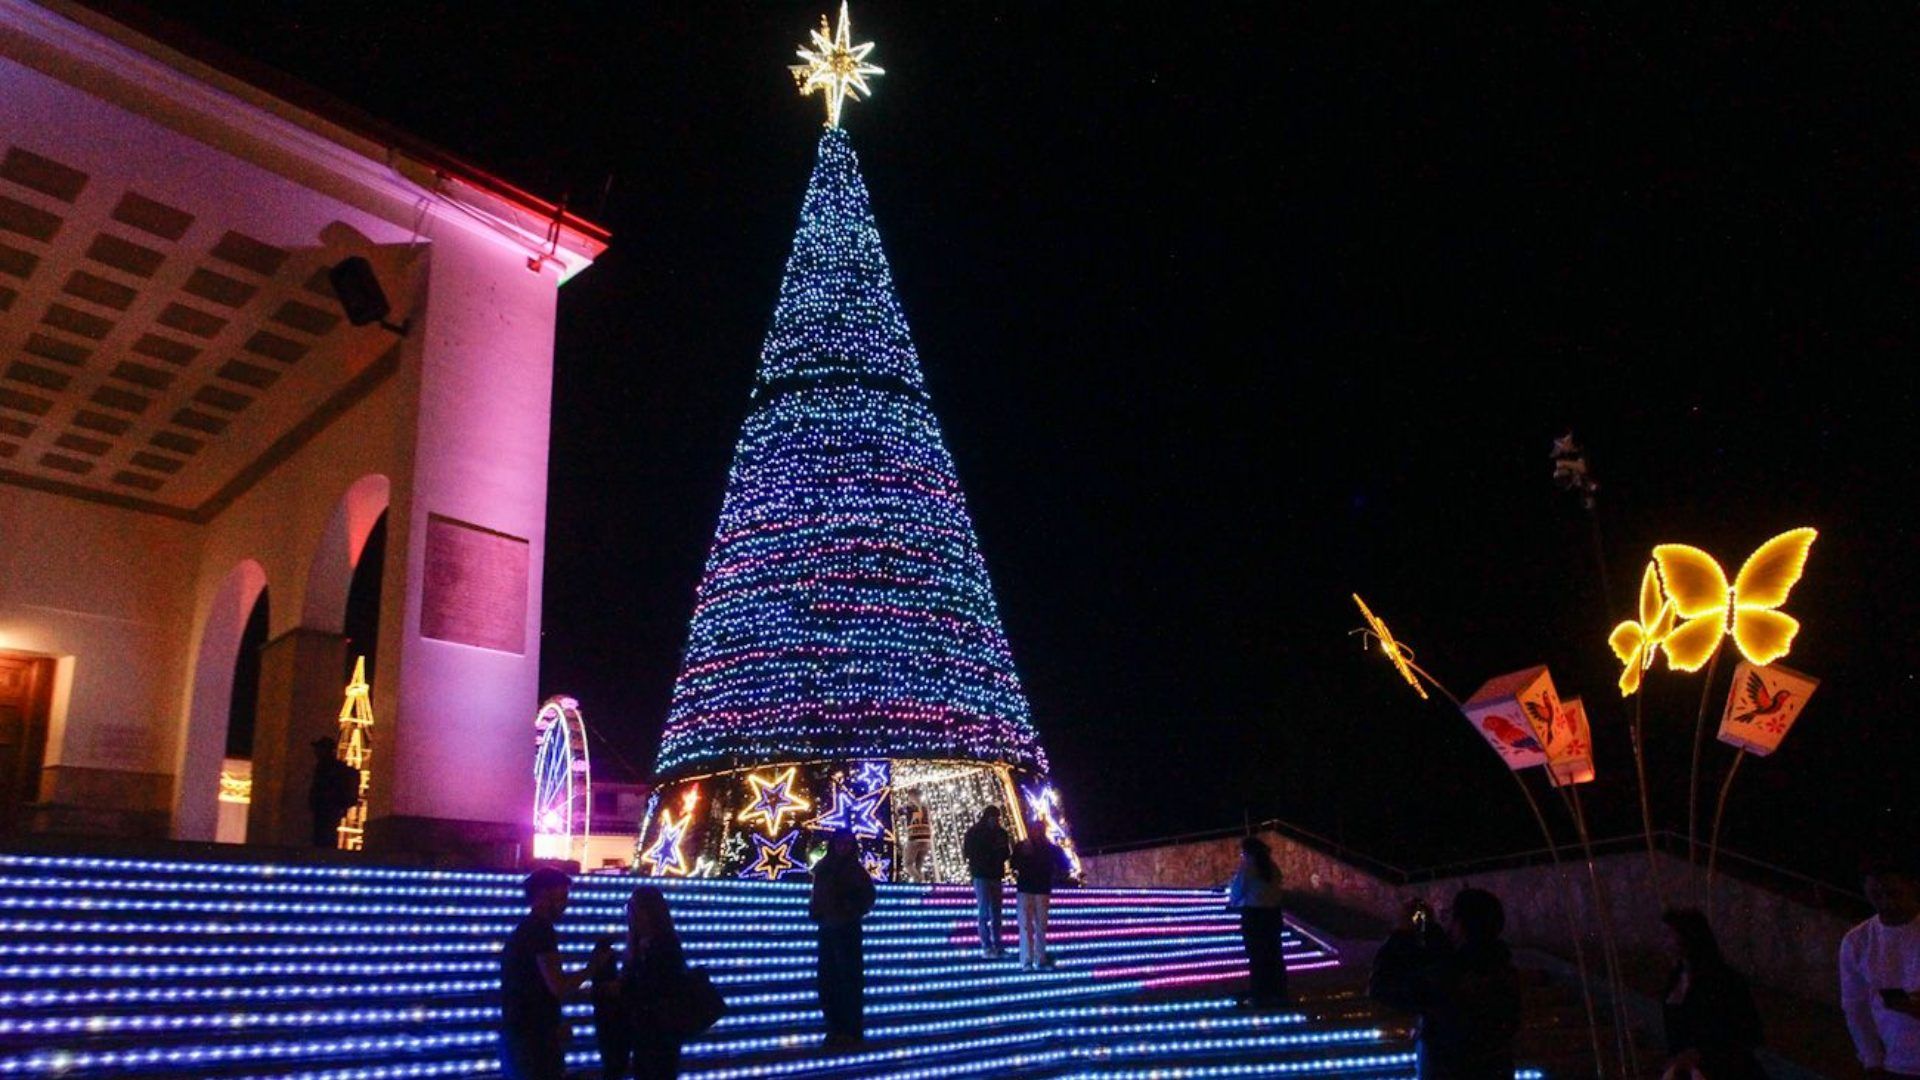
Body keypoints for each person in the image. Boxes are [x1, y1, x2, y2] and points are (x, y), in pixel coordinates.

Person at [1369, 886, 1521, 1080]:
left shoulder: (1449, 977)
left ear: (1460, 925)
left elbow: (1383, 987)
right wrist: (1431, 930)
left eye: (1449, 916)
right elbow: (1453, 959)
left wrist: (1402, 933)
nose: (1446, 923)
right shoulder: (1502, 970)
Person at [498, 867, 613, 1080]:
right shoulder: (540, 931)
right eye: (562, 897)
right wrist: (592, 968)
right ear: (543, 896)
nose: (566, 904)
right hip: (533, 1041)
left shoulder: (525, 930)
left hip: (521, 1034)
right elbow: (557, 986)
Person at [594, 886, 689, 1080]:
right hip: (643, 1028)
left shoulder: (663, 943)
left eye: (634, 907)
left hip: (658, 1029)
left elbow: (660, 985)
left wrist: (623, 987)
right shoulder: (641, 942)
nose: (630, 913)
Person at [1659, 907, 1764, 1079]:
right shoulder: (1675, 979)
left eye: (1669, 935)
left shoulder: (1724, 980)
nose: (1664, 941)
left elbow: (1749, 1032)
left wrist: (1703, 1053)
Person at [1841, 855, 1920, 1079]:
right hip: (1897, 1064)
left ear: (1913, 887)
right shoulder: (1857, 941)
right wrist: (1872, 1060)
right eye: (1876, 895)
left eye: (1894, 894)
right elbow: (1855, 1007)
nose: (1887, 903)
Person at [809, 829, 876, 1048]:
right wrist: (817, 911)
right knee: (827, 981)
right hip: (827, 928)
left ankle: (852, 1031)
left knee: (849, 980)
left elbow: (868, 896)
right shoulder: (823, 868)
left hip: (847, 928)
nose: (844, 847)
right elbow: (817, 893)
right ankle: (834, 1029)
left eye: (848, 843)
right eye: (840, 843)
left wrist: (852, 908)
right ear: (833, 844)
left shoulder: (856, 871)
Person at [1226, 836, 1289, 1007]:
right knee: (1274, 953)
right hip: (1273, 915)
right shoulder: (1272, 866)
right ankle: (1278, 991)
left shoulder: (1248, 867)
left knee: (1256, 954)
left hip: (1255, 915)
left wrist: (1232, 902)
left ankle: (1259, 993)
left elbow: (1237, 890)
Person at [1011, 825, 1071, 970]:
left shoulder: (1049, 848)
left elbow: (1064, 863)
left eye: (1039, 830)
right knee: (1026, 926)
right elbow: (1013, 863)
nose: (1036, 832)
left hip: (1040, 890)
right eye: (1034, 830)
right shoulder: (1023, 846)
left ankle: (1039, 959)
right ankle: (1027, 961)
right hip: (1027, 889)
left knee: (1040, 927)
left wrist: (1056, 873)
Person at [962, 806, 1013, 958]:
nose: (995, 820)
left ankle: (997, 946)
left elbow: (1006, 852)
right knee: (985, 911)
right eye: (993, 817)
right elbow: (968, 851)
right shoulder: (976, 832)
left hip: (993, 875)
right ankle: (987, 946)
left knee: (995, 913)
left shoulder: (1000, 833)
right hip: (982, 875)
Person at [306, 736, 360, 848]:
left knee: (323, 835)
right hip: (331, 807)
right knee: (327, 834)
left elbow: (322, 788)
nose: (316, 752)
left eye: (319, 749)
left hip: (327, 807)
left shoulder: (326, 767)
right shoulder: (333, 766)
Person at [900, 791, 934, 883]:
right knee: (919, 865)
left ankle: (918, 879)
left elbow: (897, 811)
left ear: (911, 796)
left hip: (914, 838)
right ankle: (920, 884)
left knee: (908, 863)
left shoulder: (909, 807)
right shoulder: (925, 807)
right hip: (926, 839)